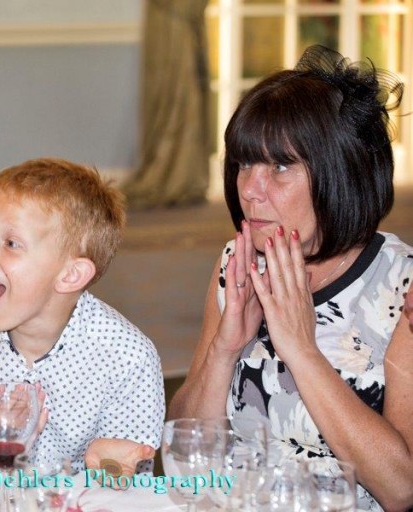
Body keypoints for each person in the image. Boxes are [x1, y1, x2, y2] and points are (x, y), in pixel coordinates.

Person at [168, 45, 413, 511]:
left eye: (280, 167)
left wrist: (301, 349)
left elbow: (401, 488)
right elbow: (186, 451)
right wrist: (224, 349)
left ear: (342, 173)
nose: (250, 190)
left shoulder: (403, 288)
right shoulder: (236, 263)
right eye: (244, 163)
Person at [0, 158, 164, 475]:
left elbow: (127, 472)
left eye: (10, 243)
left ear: (71, 275)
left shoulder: (127, 357)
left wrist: (110, 465)